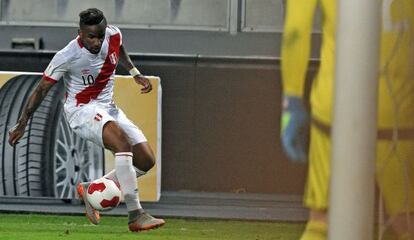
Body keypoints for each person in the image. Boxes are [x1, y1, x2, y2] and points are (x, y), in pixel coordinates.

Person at [8, 8, 165, 232]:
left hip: (109, 108)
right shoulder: (67, 55)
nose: (97, 41)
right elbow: (41, 89)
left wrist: (134, 72)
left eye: (100, 35)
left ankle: (92, 187)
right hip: (81, 110)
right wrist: (23, 123)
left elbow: (118, 48)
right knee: (122, 144)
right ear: (80, 33)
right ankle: (136, 214)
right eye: (91, 36)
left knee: (146, 160)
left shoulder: (113, 34)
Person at [281, 0, 414, 239]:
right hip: (398, 109)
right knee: (406, 222)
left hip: (336, 106)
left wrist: (292, 100)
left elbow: (296, 29)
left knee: (321, 220)